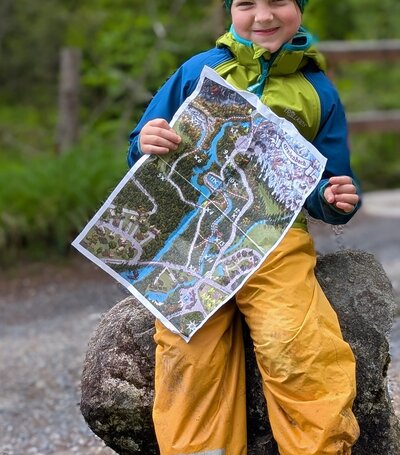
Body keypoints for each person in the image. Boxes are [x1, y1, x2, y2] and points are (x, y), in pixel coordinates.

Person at [127, 1, 361, 454]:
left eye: (278, 1)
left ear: (300, 7)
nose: (263, 16)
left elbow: (326, 180)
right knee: (187, 359)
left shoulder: (317, 91)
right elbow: (141, 144)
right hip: (192, 244)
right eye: (246, 3)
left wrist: (334, 199)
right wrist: (146, 142)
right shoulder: (200, 71)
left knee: (298, 347)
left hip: (274, 240)